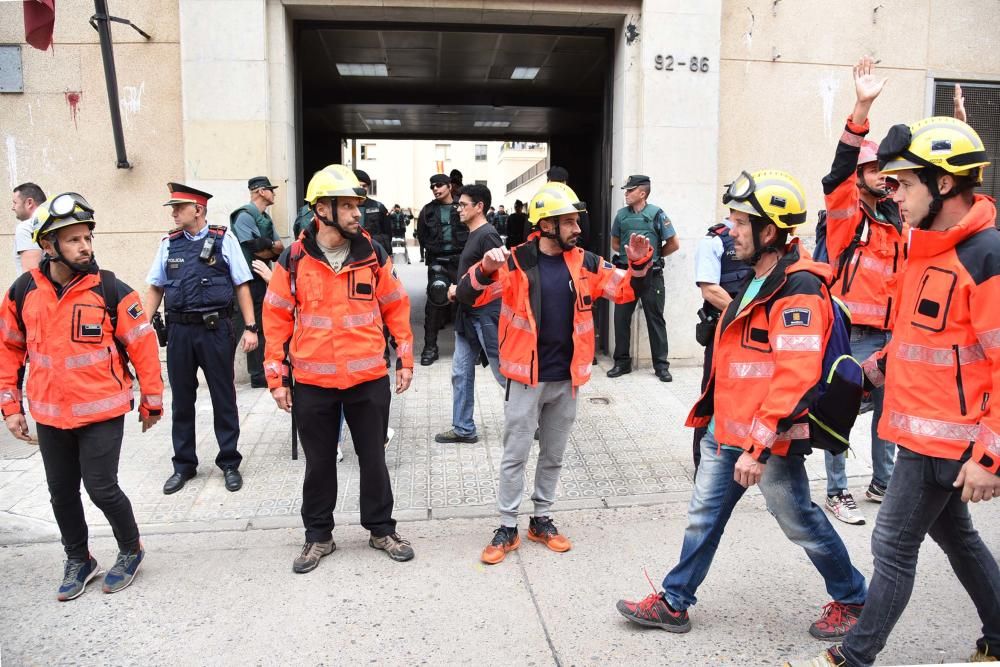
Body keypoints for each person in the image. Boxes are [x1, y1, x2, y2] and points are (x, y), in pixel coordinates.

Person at [616, 170, 868, 640]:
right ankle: (675, 602)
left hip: (764, 440)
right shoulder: (757, 278)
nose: (729, 229)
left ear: (768, 231)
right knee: (703, 517)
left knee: (799, 522)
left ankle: (853, 599)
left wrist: (758, 446)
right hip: (725, 431)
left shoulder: (800, 290)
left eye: (739, 221)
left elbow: (796, 376)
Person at [788, 116, 1000, 667]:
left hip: (948, 441)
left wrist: (990, 457)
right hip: (920, 430)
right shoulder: (924, 249)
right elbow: (916, 340)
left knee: (892, 547)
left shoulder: (985, 257)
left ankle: (852, 658)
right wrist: (858, 378)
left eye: (905, 184)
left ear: (945, 184)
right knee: (959, 539)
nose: (893, 193)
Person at [456, 182, 654, 565]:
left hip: (567, 379)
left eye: (576, 221)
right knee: (515, 454)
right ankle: (507, 525)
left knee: (554, 455)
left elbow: (626, 291)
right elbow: (468, 296)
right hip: (525, 379)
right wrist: (485, 268)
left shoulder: (588, 262)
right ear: (545, 225)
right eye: (568, 222)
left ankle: (541, 519)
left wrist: (639, 264)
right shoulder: (513, 262)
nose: (576, 228)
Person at [0, 193, 163, 600]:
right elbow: (9, 350)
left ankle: (130, 550)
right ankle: (79, 559)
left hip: (103, 410)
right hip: (50, 414)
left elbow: (143, 345)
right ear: (48, 246)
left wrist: (152, 400)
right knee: (61, 492)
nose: (85, 246)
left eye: (87, 237)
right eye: (73, 240)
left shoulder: (111, 289)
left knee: (101, 487)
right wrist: (10, 406)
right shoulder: (23, 292)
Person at [262, 164, 415, 573]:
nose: (356, 214)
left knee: (373, 458)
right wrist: (276, 378)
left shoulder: (372, 254)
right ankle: (318, 537)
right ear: (322, 210)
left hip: (367, 380)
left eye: (357, 205)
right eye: (346, 206)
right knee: (319, 463)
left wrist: (405, 357)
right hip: (313, 382)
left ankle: (381, 529)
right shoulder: (294, 259)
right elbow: (275, 318)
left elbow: (395, 306)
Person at [820, 57, 906, 524]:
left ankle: (882, 482)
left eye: (884, 168)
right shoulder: (847, 214)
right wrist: (860, 108)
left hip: (889, 336)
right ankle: (837, 490)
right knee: (840, 411)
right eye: (871, 167)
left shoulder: (898, 220)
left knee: (887, 415)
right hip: (847, 333)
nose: (880, 173)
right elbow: (837, 173)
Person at [144, 183, 258, 495]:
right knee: (182, 400)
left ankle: (230, 462)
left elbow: (242, 284)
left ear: (199, 210)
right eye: (173, 208)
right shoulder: (169, 244)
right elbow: (156, 286)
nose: (174, 212)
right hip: (180, 331)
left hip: (215, 329)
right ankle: (184, 465)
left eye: (179, 207)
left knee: (224, 397)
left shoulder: (224, 239)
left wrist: (251, 327)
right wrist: (142, 327)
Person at [434, 184, 505, 444]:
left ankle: (535, 420)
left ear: (479, 207)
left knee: (504, 373)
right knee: (461, 372)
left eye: (463, 204)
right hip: (468, 316)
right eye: (458, 204)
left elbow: (498, 282)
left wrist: (459, 291)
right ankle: (464, 428)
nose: (458, 209)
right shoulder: (475, 234)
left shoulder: (488, 236)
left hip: (485, 316)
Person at [691, 216, 752, 470]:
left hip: (754, 333)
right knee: (712, 394)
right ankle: (701, 461)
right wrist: (745, 315)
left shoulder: (759, 240)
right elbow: (710, 290)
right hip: (724, 330)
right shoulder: (713, 240)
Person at [608, 175, 680, 382]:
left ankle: (661, 366)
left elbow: (674, 243)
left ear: (642, 193)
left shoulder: (657, 214)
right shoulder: (621, 216)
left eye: (630, 190)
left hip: (652, 275)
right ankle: (622, 363)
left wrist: (651, 257)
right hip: (626, 275)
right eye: (626, 190)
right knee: (620, 319)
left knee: (655, 319)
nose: (626, 194)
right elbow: (615, 244)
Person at [230, 176, 284, 388]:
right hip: (244, 281)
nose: (274, 193)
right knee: (234, 329)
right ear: (261, 191)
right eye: (271, 189)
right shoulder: (244, 216)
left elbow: (279, 248)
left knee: (261, 327)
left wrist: (269, 246)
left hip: (261, 279)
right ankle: (222, 372)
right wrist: (269, 248)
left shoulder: (265, 219)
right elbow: (256, 248)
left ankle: (257, 375)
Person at [416, 173, 466, 366]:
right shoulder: (428, 211)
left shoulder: (462, 206)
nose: (435, 189)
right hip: (438, 262)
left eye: (439, 185)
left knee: (468, 302)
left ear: (449, 186)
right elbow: (422, 235)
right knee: (435, 301)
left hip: (461, 261)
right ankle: (430, 347)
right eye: (432, 186)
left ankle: (474, 346)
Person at [354, 169, 393, 253]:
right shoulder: (345, 207)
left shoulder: (379, 207)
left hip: (373, 252)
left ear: (368, 187)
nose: (361, 189)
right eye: (358, 186)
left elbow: (388, 233)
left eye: (364, 186)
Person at [11, 182, 45, 274]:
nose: (12, 208)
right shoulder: (51, 223)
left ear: (29, 202)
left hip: (35, 288)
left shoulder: (27, 227)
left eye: (15, 203)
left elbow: (32, 275)